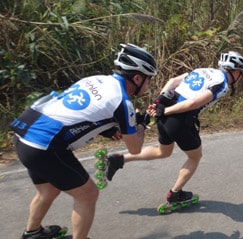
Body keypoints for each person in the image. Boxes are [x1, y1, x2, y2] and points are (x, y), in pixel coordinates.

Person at [10, 43, 157, 239]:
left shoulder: (95, 79)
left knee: (48, 191)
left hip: (25, 134)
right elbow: (135, 148)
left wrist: (108, 130)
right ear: (137, 78)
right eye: (149, 80)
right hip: (44, 146)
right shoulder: (123, 102)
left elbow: (76, 112)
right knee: (87, 194)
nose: (149, 85)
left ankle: (32, 233)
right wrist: (141, 124)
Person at [105, 51, 243, 206]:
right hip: (180, 117)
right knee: (195, 156)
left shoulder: (202, 70)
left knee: (163, 152)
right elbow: (193, 104)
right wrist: (165, 111)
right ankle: (175, 194)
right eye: (241, 74)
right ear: (236, 71)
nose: (240, 78)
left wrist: (159, 102)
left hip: (167, 110)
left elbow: (173, 81)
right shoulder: (223, 85)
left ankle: (119, 159)